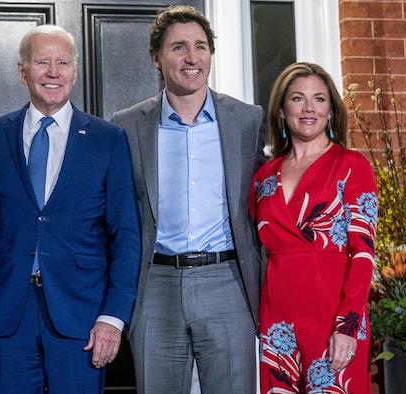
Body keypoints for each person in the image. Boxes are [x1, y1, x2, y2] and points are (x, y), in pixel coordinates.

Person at [111, 5, 266, 393]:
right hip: (156, 283)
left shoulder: (246, 120)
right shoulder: (126, 125)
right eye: (179, 47)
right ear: (156, 58)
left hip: (227, 280)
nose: (192, 58)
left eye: (200, 46)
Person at [0, 24, 141, 393]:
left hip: (81, 315)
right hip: (7, 315)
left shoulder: (107, 139)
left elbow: (126, 235)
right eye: (42, 62)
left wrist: (113, 317)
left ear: (75, 70)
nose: (53, 72)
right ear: (22, 71)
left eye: (63, 62)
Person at [249, 62, 378, 393]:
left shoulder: (352, 166)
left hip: (333, 316)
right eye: (297, 99)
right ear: (281, 109)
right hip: (277, 318)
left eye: (319, 99)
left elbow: (364, 253)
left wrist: (347, 325)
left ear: (331, 110)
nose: (309, 108)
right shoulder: (264, 177)